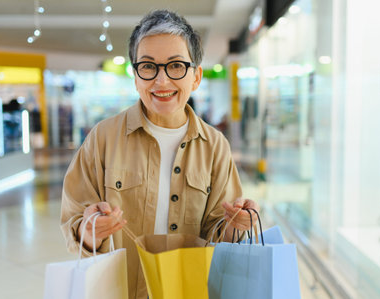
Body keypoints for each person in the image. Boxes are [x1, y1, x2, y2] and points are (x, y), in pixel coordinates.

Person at [61, 10, 260, 299]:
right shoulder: (102, 138)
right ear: (135, 76)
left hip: (188, 290)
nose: (162, 81)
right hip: (121, 290)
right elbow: (73, 220)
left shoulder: (215, 146)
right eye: (148, 67)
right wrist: (92, 230)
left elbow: (219, 236)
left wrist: (236, 224)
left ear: (196, 76)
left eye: (176, 66)